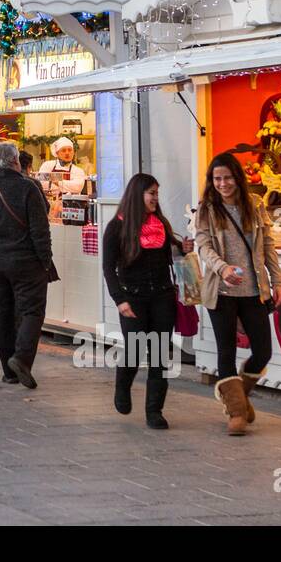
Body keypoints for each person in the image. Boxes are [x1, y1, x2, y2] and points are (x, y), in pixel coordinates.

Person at [194, 152, 281, 435]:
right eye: (217, 179)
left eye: (228, 177)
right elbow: (204, 246)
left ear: (238, 178)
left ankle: (240, 399)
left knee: (263, 351)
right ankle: (236, 414)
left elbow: (268, 245)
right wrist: (222, 268)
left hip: (254, 290)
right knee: (226, 351)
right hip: (221, 290)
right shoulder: (207, 209)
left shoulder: (255, 205)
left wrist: (277, 281)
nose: (223, 184)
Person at [102, 174, 191, 430]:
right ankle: (123, 384)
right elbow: (109, 268)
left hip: (162, 297)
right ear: (137, 194)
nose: (155, 198)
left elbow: (173, 252)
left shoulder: (160, 223)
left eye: (157, 193)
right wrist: (119, 300)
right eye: (151, 193)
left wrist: (183, 248)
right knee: (135, 350)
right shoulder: (117, 227)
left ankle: (155, 411)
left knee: (161, 355)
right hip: (133, 298)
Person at [0, 141, 58, 389]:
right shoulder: (28, 188)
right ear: (16, 161)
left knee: (3, 313)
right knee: (32, 311)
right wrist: (45, 260)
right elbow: (40, 230)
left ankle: (8, 372)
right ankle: (21, 359)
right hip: (27, 262)